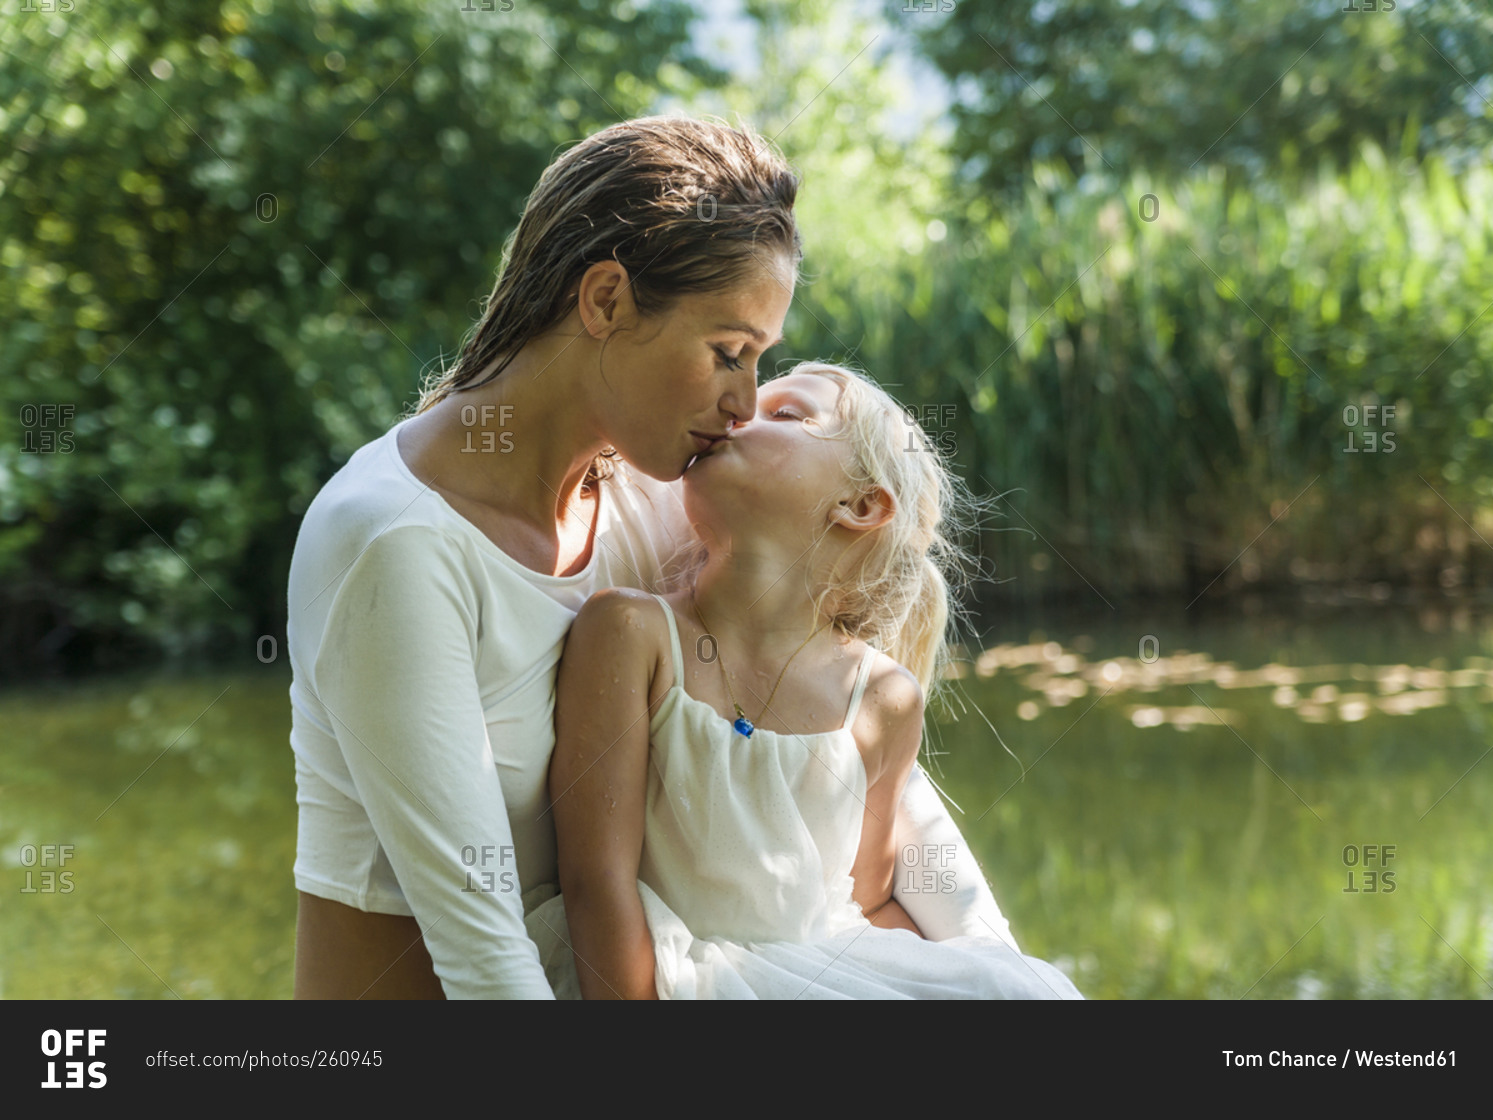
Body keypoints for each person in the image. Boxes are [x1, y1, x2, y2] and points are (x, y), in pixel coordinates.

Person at [287, 116, 1020, 1000]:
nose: (745, 402)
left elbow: (845, 750)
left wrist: (994, 970)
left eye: (761, 364)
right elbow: (486, 961)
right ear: (604, 302)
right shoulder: (394, 544)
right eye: (729, 353)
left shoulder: (660, 494)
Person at [529, 362, 1083, 999]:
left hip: (824, 964)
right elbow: (596, 881)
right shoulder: (631, 632)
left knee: (1015, 990)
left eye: (785, 413)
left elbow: (866, 896)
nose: (736, 413)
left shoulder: (883, 700)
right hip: (679, 975)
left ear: (861, 504)